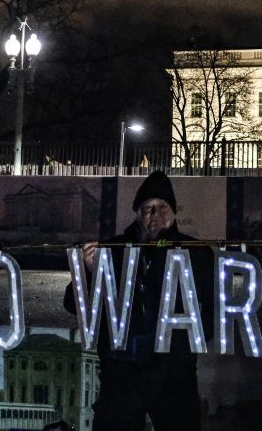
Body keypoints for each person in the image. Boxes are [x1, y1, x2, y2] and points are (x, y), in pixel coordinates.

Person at [63, 170, 214, 430]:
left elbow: (213, 309)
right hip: (122, 372)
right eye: (148, 207)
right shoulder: (113, 249)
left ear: (174, 212)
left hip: (173, 372)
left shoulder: (196, 253)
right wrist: (89, 273)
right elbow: (71, 303)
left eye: (162, 206)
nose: (155, 214)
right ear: (137, 212)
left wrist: (187, 343)